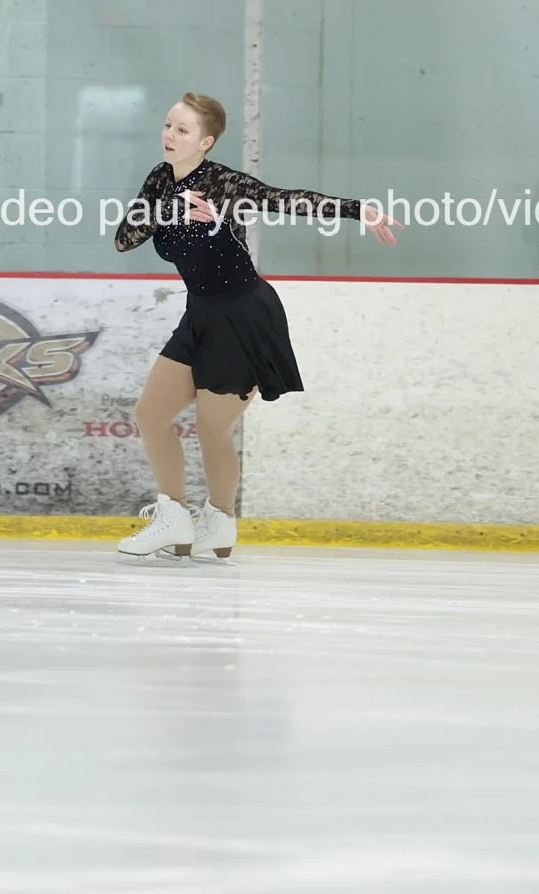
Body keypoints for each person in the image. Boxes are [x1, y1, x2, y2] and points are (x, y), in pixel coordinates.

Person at [112, 92, 399, 564]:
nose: (169, 135)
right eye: (168, 125)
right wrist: (168, 210)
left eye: (182, 130)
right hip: (200, 313)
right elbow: (124, 239)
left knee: (211, 427)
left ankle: (220, 523)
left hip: (245, 315)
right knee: (151, 414)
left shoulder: (224, 184)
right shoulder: (160, 181)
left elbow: (286, 199)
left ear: (205, 141)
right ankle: (174, 518)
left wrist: (357, 209)